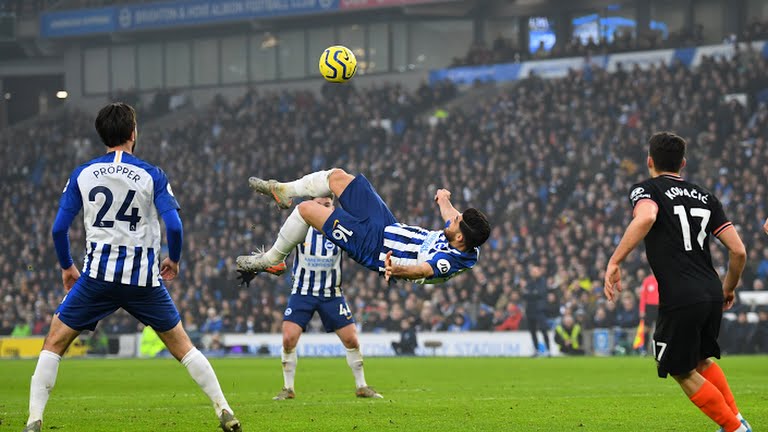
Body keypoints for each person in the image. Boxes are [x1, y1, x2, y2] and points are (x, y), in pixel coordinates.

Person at [22, 103, 240, 432]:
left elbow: (58, 229)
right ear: (133, 133)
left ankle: (34, 420)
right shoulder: (152, 174)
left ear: (102, 135)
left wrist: (68, 267)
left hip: (96, 279)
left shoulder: (83, 173)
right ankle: (224, 409)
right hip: (143, 282)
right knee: (184, 347)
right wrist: (174, 259)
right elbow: (176, 227)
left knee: (54, 344)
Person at [604, 132, 751, 432]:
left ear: (649, 161)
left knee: (680, 370)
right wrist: (729, 287)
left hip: (681, 295)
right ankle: (736, 421)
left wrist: (614, 261)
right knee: (701, 361)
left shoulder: (647, 189)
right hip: (711, 290)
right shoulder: (707, 196)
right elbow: (738, 250)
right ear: (682, 163)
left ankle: (735, 429)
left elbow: (645, 218)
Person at [237, 169, 490, 285]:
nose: (453, 217)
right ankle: (284, 190)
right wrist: (444, 199)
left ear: (459, 237)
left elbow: (423, 270)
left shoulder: (452, 260)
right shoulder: (463, 235)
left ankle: (273, 259)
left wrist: (398, 270)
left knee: (307, 211)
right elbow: (450, 215)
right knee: (337, 177)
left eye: (456, 220)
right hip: (387, 224)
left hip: (373, 246)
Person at [240, 197, 382, 400]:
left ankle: (362, 385)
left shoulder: (340, 229)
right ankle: (288, 388)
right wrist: (259, 266)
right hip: (302, 293)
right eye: (319, 205)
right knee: (289, 338)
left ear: (333, 208)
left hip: (331, 294)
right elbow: (279, 256)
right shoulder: (301, 226)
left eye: (327, 205)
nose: (323, 209)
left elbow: (360, 248)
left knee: (351, 339)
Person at [522, 265, 551, 356]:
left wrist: (530, 294)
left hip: (539, 309)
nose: (533, 273)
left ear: (539, 272)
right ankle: (536, 350)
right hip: (530, 310)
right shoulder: (529, 283)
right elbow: (524, 295)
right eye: (532, 271)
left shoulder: (542, 281)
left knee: (543, 330)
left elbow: (540, 294)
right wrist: (532, 294)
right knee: (532, 331)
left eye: (535, 271)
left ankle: (548, 350)